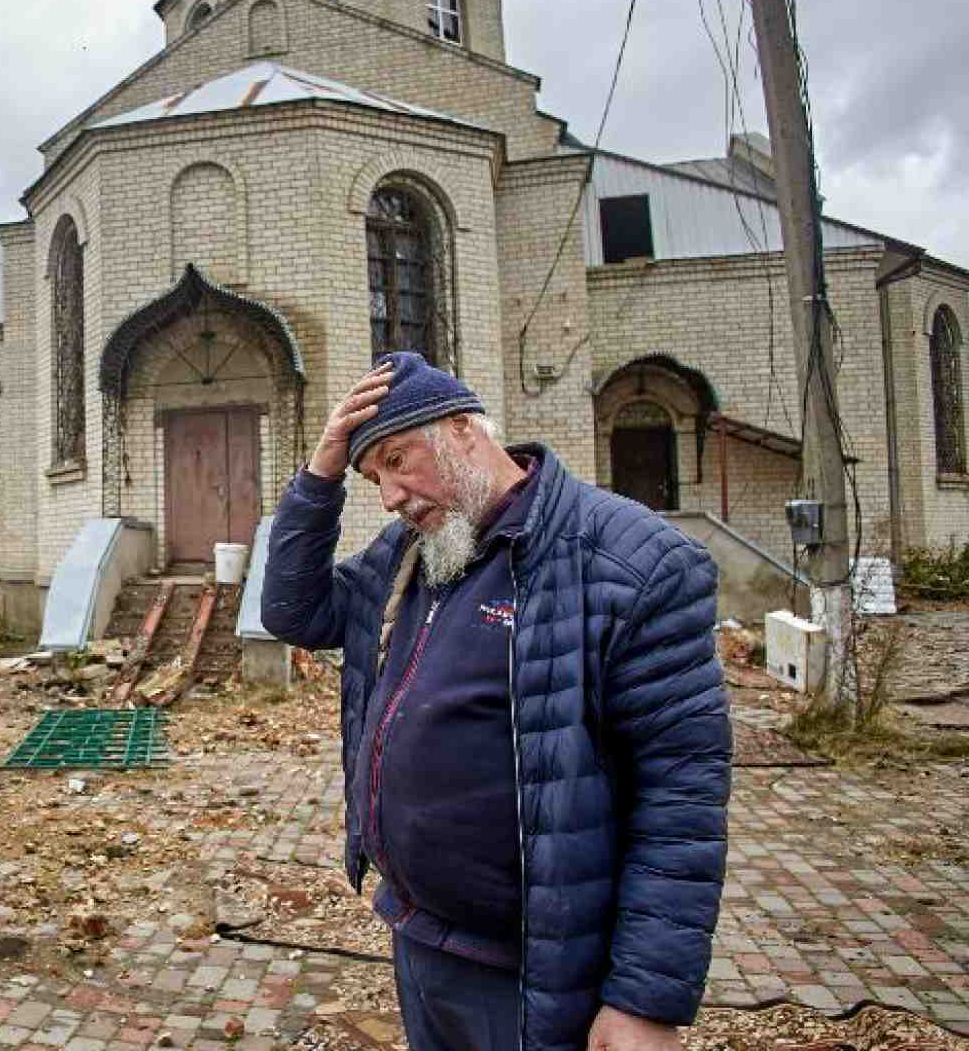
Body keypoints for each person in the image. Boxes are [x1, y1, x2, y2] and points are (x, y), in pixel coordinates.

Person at [261, 353, 731, 1051]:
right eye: (374, 479)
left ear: (462, 429)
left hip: (537, 971)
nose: (390, 495)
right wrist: (321, 474)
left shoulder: (630, 563)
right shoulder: (415, 550)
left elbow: (681, 796)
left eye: (398, 459)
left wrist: (644, 1000)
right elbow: (294, 611)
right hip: (419, 940)